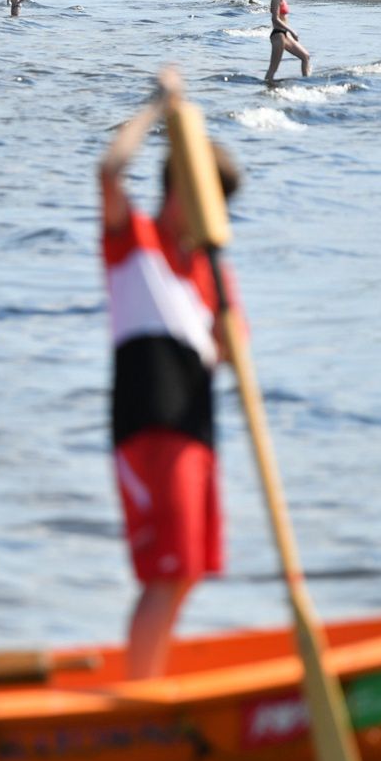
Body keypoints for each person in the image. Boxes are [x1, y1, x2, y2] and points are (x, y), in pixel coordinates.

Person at [97, 67, 241, 679]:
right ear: (182, 189)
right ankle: (141, 698)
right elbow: (109, 171)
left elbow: (230, 356)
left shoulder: (214, 273)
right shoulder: (134, 240)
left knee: (189, 571)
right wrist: (159, 110)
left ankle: (147, 677)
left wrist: (230, 331)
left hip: (196, 426)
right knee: (166, 571)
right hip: (149, 423)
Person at [264, 0, 310, 85]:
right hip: (278, 35)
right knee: (273, 68)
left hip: (285, 34)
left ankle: (307, 83)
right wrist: (292, 31)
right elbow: (275, 19)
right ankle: (266, 90)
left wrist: (288, 33)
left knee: (305, 56)